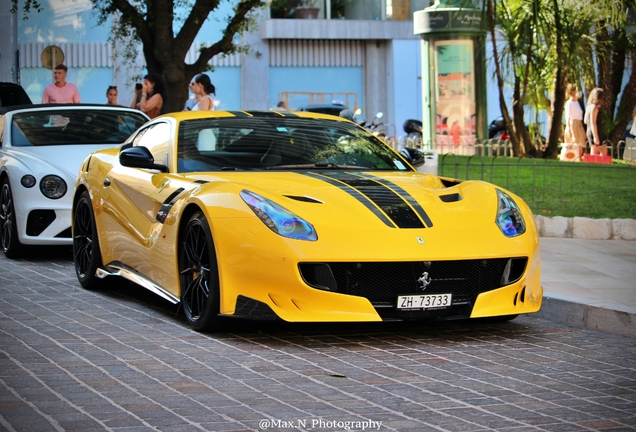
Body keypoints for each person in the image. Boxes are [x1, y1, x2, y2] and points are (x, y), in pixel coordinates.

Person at [564, 83, 586, 157]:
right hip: (573, 124)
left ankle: (579, 159)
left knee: (581, 144)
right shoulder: (569, 103)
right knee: (574, 143)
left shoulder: (577, 103)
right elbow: (568, 116)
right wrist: (568, 128)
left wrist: (583, 129)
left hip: (579, 124)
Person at [584, 87, 606, 156]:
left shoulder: (588, 107)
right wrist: (596, 136)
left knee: (594, 149)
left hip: (590, 131)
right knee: (602, 150)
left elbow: (586, 121)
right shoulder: (594, 108)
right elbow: (593, 122)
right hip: (596, 132)